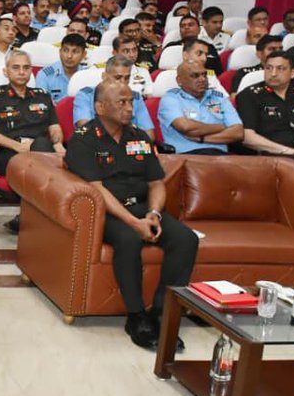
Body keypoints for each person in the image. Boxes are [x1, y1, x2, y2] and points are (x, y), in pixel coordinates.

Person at [66, 81, 198, 350]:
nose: (129, 108)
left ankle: (160, 313)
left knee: (186, 239)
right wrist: (133, 223)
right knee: (128, 240)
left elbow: (156, 182)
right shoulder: (83, 139)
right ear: (100, 107)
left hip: (143, 208)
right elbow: (97, 190)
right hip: (108, 213)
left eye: (131, 102)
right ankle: (136, 316)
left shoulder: (139, 137)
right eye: (121, 102)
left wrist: (152, 214)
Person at [0, 50, 64, 232]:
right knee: (43, 153)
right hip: (8, 151)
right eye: (16, 67)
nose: (22, 72)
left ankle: (30, 215)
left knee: (43, 146)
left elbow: (55, 128)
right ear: (6, 71)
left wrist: (59, 144)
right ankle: (43, 216)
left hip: (42, 150)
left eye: (26, 68)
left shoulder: (42, 95)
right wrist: (18, 146)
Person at [157, 61, 243, 155]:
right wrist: (222, 127)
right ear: (179, 80)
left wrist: (202, 138)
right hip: (185, 156)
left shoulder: (219, 98)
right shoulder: (170, 99)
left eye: (204, 75)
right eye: (195, 76)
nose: (202, 79)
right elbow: (186, 127)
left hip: (220, 156)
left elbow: (238, 132)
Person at [72, 56, 155, 139]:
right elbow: (85, 128)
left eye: (126, 78)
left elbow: (149, 135)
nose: (122, 83)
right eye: (117, 78)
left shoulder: (135, 98)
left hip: (128, 147)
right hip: (96, 147)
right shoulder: (85, 96)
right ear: (104, 77)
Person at [35, 33, 87, 102]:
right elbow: (42, 104)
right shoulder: (44, 75)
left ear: (84, 55)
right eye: (65, 50)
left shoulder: (87, 76)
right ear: (60, 52)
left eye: (75, 52)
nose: (69, 56)